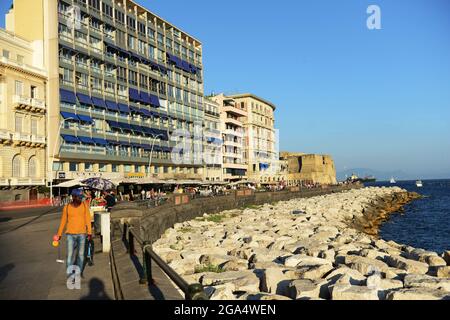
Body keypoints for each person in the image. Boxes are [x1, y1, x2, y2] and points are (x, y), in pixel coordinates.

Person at [55, 189, 92, 279]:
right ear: (73, 197)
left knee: (80, 255)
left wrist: (90, 232)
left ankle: (78, 273)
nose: (81, 199)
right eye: (79, 197)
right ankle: (70, 274)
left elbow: (88, 219)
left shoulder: (84, 205)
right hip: (70, 234)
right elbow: (63, 221)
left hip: (82, 234)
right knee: (70, 255)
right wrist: (59, 234)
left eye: (81, 197)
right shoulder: (67, 207)